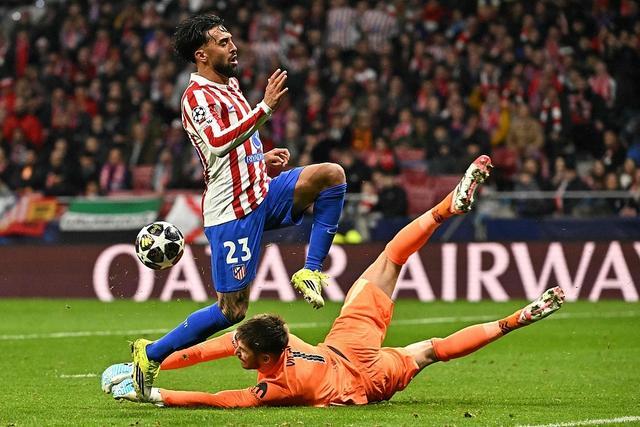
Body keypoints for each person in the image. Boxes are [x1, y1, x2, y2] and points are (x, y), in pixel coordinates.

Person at [105, 155, 566, 408]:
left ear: (266, 358)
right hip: (351, 348)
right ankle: (447, 209)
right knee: (393, 260)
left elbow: (223, 399)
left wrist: (156, 394)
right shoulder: (281, 340)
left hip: (370, 379)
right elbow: (217, 349)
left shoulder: (280, 387)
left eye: (243, 351)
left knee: (431, 350)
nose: (237, 351)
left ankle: (515, 319)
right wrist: (151, 368)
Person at [130, 14, 347, 400]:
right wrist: (264, 108)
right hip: (232, 210)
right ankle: (151, 354)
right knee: (232, 311)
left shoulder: (230, 85)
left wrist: (260, 159)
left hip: (261, 190)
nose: (233, 47)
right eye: (223, 42)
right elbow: (216, 144)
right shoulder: (195, 96)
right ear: (201, 54)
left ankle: (310, 270)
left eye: (231, 40)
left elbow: (236, 143)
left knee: (330, 175)